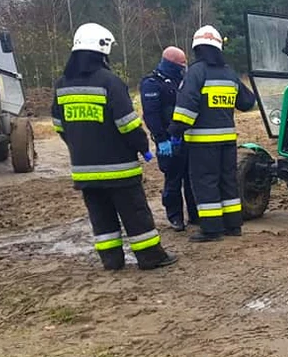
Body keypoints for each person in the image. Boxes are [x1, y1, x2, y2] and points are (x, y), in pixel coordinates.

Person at [51, 22, 178, 270]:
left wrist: (79, 147)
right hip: (119, 168)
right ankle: (151, 257)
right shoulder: (109, 82)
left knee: (101, 217)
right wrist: (143, 146)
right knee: (135, 214)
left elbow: (59, 126)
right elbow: (127, 124)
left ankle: (111, 261)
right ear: (102, 49)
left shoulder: (62, 85)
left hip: (84, 169)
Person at [167, 24, 256, 242]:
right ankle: (233, 225)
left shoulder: (196, 72)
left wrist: (175, 130)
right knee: (228, 181)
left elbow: (187, 107)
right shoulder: (229, 73)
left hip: (202, 142)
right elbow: (248, 102)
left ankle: (212, 229)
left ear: (196, 48)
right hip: (227, 141)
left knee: (205, 183)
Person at [139, 46, 198, 231]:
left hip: (187, 137)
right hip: (167, 139)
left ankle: (195, 215)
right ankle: (175, 217)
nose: (184, 66)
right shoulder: (152, 83)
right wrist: (161, 138)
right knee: (173, 180)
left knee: (191, 178)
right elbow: (151, 114)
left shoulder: (184, 80)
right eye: (181, 63)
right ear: (171, 63)